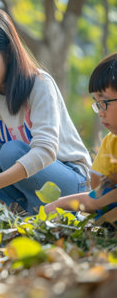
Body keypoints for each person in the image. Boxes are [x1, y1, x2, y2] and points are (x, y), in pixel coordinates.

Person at [0, 9, 91, 214]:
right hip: (27, 187)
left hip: (70, 183)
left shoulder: (39, 84)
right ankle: (23, 211)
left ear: (7, 53)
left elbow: (45, 151)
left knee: (11, 152)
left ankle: (50, 211)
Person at [44, 53, 117, 224]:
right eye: (97, 104)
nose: (100, 112)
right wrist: (55, 206)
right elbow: (97, 196)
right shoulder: (111, 142)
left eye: (104, 102)